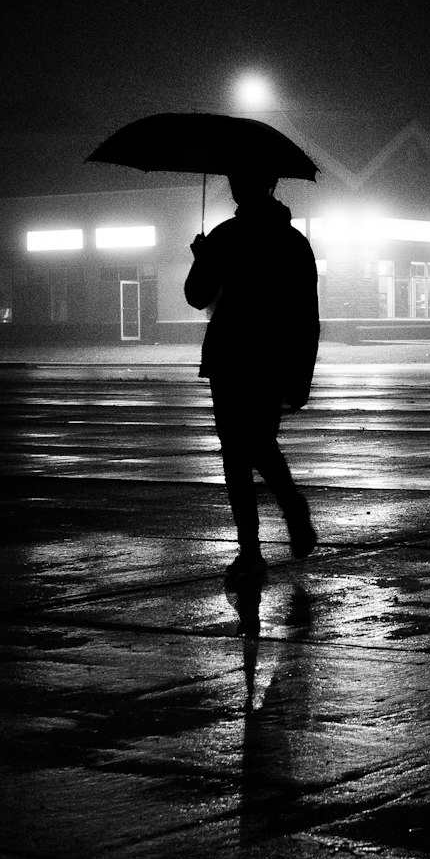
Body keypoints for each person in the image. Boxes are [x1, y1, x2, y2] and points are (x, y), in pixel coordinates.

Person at [184, 165, 320, 577]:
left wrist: (203, 260)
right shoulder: (294, 241)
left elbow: (196, 296)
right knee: (259, 443)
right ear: (273, 184)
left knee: (238, 453)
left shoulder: (226, 237)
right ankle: (289, 508)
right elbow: (307, 315)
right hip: (272, 357)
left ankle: (251, 548)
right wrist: (302, 374)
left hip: (230, 355)